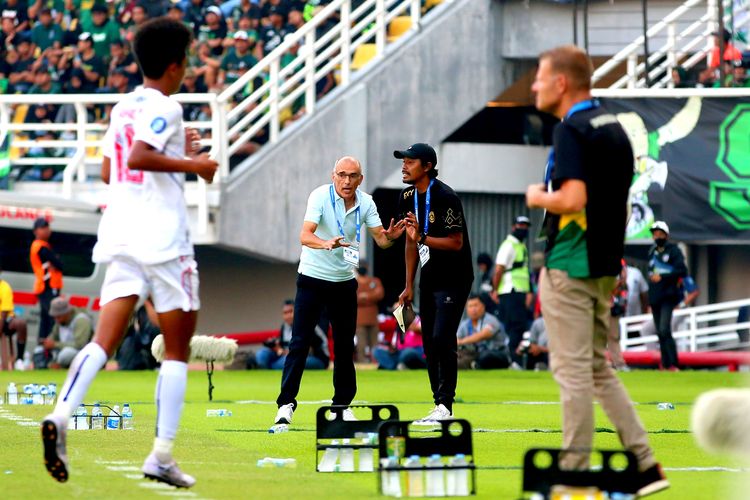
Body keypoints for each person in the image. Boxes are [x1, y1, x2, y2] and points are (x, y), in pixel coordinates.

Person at [41, 17, 218, 488]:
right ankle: (161, 454)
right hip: (161, 238)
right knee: (177, 349)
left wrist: (180, 153)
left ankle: (60, 415)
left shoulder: (122, 108)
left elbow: (109, 169)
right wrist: (193, 163)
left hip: (120, 232)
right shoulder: (167, 106)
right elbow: (141, 156)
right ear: (176, 64)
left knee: (103, 341)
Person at [525, 45, 668, 496]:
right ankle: (645, 466)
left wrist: (536, 196)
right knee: (597, 370)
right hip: (605, 265)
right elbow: (622, 208)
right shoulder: (615, 127)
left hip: (570, 263)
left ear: (561, 83)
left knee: (570, 374)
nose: (534, 85)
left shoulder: (571, 130)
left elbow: (572, 200)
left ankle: (572, 476)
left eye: (539, 77)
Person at [272, 156, 405, 428]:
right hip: (311, 278)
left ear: (360, 179)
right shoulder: (320, 196)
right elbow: (304, 235)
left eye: (352, 175)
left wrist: (391, 236)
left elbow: (381, 240)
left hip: (344, 282)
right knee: (299, 343)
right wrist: (325, 244)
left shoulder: (366, 202)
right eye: (342, 175)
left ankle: (341, 406)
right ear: (333, 176)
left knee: (345, 347)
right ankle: (285, 405)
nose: (346, 181)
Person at [396, 143, 473, 424]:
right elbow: (408, 240)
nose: (404, 166)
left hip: (455, 277)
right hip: (428, 278)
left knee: (442, 337)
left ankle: (446, 404)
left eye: (410, 161)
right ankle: (438, 404)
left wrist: (422, 239)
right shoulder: (406, 196)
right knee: (429, 341)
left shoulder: (445, 196)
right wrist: (408, 285)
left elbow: (456, 243)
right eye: (403, 161)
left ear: (427, 166)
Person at [646, 221, 687, 371]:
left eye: (660, 233)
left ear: (666, 235)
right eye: (655, 234)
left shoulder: (673, 250)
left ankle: (673, 363)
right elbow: (650, 274)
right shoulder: (652, 252)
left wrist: (663, 277)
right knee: (659, 331)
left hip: (668, 296)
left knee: (664, 329)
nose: (657, 236)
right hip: (655, 296)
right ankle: (665, 363)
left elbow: (682, 270)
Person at [492, 215, 532, 364]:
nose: (524, 229)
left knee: (518, 326)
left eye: (526, 226)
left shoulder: (520, 246)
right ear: (513, 227)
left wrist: (527, 292)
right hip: (510, 291)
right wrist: (495, 290)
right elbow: (499, 269)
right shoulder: (509, 245)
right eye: (521, 225)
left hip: (518, 292)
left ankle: (516, 359)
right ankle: (513, 359)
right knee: (516, 326)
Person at [256, 299, 329, 370]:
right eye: (285, 313)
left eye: (291, 312)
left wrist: (282, 352)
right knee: (262, 353)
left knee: (286, 362)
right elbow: (284, 347)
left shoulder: (307, 325)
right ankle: (263, 366)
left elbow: (307, 350)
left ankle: (268, 368)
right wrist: (276, 346)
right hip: (289, 355)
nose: (288, 316)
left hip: (316, 359)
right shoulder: (284, 327)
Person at [30, 217, 63, 341]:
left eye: (47, 227)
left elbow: (58, 263)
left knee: (45, 320)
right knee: (51, 319)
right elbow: (59, 264)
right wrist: (56, 260)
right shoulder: (40, 247)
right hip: (46, 288)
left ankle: (42, 348)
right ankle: (46, 350)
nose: (47, 230)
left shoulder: (45, 246)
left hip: (48, 288)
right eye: (43, 227)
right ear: (36, 231)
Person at [456, 294, 510, 369]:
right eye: (470, 306)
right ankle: (472, 365)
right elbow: (456, 339)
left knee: (485, 356)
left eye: (476, 305)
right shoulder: (464, 324)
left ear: (483, 306)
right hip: (474, 353)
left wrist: (462, 341)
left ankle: (473, 364)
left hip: (496, 352)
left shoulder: (491, 319)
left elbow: (485, 334)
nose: (473, 309)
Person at [42, 297, 94, 369]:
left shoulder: (81, 320)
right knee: (38, 351)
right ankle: (51, 365)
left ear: (67, 313)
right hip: (63, 349)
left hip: (84, 353)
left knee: (65, 355)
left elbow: (80, 345)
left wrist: (55, 345)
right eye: (55, 317)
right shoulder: (60, 321)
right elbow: (53, 336)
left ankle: (59, 365)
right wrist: (46, 343)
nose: (56, 320)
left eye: (59, 317)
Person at [355, 262, 384, 362]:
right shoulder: (354, 282)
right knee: (361, 343)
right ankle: (362, 362)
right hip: (359, 319)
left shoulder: (374, 281)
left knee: (375, 342)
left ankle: (377, 361)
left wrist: (365, 296)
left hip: (373, 318)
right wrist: (371, 296)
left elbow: (380, 294)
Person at [0, 269, 28, 370]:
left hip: (4, 320)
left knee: (21, 324)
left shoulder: (4, 287)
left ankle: (19, 359)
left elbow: (4, 312)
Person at [608, 260, 629, 371]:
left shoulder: (620, 261)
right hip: (598, 302)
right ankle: (598, 363)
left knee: (614, 335)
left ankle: (618, 362)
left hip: (612, 305)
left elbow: (623, 281)